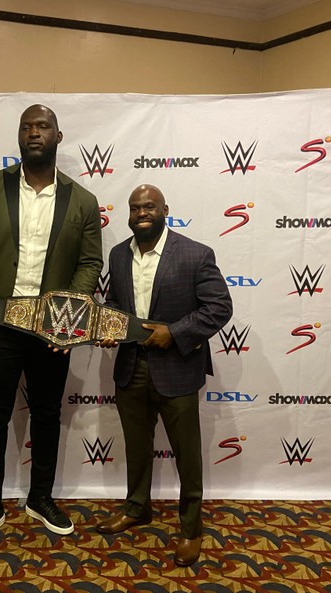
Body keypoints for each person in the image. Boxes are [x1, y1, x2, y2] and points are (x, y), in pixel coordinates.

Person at [0, 104, 103, 553]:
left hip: (52, 330)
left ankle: (40, 499)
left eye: (43, 126)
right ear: (19, 136)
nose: (35, 132)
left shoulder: (83, 201)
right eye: (27, 126)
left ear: (58, 136)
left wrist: (68, 315)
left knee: (48, 415)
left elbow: (89, 263)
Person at [95, 184, 232, 567]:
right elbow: (115, 304)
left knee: (187, 455)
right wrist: (110, 325)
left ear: (165, 209)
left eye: (149, 206)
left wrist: (173, 333)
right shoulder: (118, 254)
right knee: (136, 448)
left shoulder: (195, 253)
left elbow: (220, 307)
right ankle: (137, 508)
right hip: (129, 368)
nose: (142, 212)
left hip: (178, 369)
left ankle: (191, 528)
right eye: (135, 207)